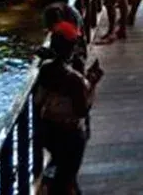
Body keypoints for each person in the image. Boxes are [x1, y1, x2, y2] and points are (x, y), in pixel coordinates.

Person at [34, 25, 103, 195]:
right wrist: (92, 84)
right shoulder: (73, 79)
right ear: (71, 47)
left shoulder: (45, 70)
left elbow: (38, 102)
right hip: (70, 133)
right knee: (67, 178)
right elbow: (81, 110)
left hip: (49, 129)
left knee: (61, 172)